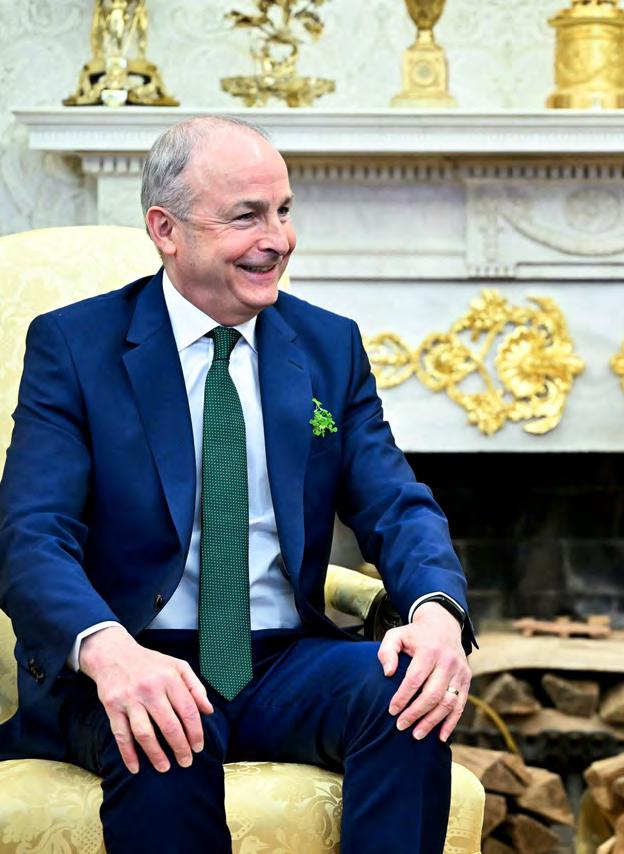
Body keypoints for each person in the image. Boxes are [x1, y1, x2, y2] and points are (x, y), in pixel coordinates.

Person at [0, 116, 474, 853]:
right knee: (164, 732)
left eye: (283, 210)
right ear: (166, 230)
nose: (278, 239)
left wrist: (437, 611)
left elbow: (396, 504)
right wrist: (110, 652)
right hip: (135, 655)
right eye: (247, 216)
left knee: (405, 694)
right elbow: (31, 537)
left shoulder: (328, 345)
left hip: (283, 657)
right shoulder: (76, 346)